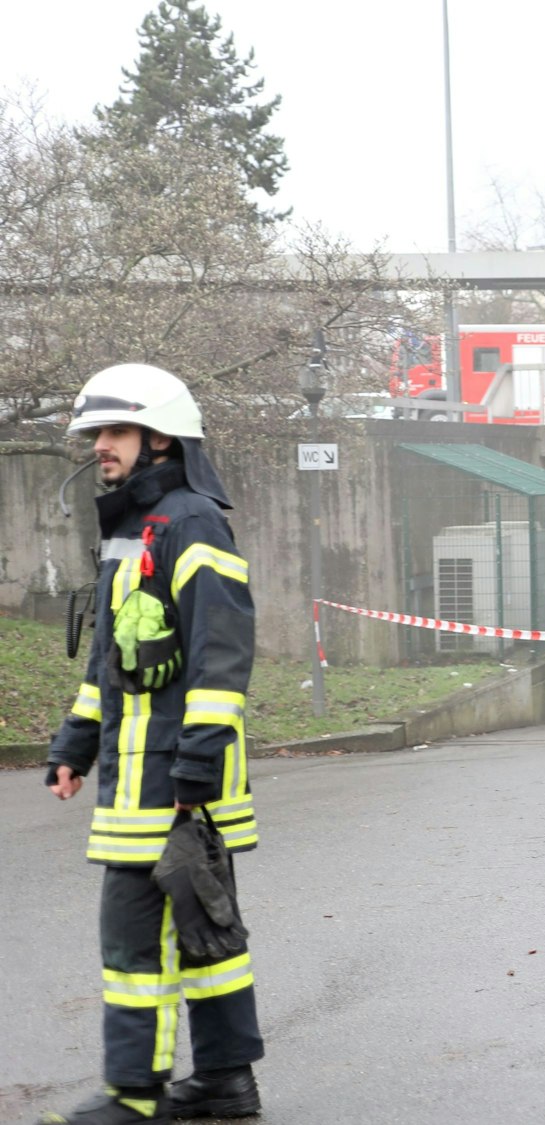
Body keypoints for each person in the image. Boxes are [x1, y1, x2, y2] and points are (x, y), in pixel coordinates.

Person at [40, 364, 265, 1124]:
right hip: (150, 778)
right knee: (206, 932)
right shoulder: (132, 531)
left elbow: (221, 653)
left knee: (135, 941)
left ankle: (134, 1096)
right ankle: (228, 1084)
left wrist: (196, 766)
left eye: (112, 431)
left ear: (159, 436)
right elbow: (110, 655)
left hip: (171, 782)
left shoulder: (191, 523)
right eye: (95, 433)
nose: (98, 446)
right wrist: (74, 744)